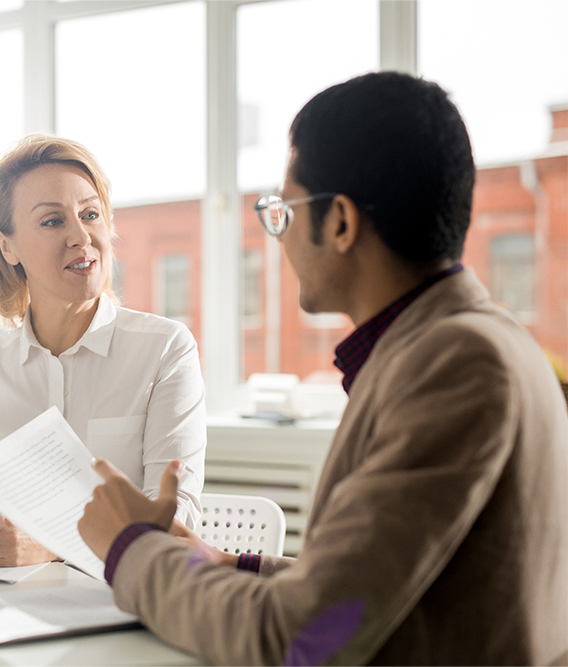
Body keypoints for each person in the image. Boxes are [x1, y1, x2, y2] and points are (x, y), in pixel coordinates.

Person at [78, 72, 568, 666]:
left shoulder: (458, 364)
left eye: (284, 210)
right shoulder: (463, 341)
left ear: (339, 222)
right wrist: (225, 564)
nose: (278, 238)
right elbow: (383, 585)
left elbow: (299, 640)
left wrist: (130, 550)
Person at [0, 134, 206, 567]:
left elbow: (176, 521)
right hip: (8, 614)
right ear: (7, 246)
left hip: (119, 607)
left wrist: (51, 548)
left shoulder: (165, 349)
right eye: (52, 221)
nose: (81, 236)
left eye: (90, 214)